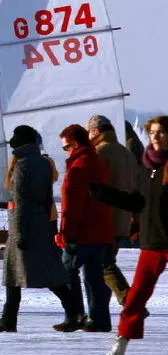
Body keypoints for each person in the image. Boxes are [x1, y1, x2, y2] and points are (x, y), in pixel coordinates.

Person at [89, 115, 168, 355]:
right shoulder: (148, 167)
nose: (156, 137)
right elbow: (138, 203)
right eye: (152, 133)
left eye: (161, 133)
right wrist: (102, 193)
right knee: (134, 299)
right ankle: (117, 351)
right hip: (153, 241)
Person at [0, 125, 78, 332]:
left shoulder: (22, 165)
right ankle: (72, 311)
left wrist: (18, 233)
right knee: (42, 273)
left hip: (25, 225)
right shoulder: (43, 163)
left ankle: (9, 320)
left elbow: (20, 202)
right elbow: (44, 197)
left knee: (19, 275)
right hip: (42, 223)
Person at [57, 124, 114, 332]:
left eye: (65, 147)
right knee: (94, 278)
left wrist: (66, 233)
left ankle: (75, 316)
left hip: (82, 233)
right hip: (101, 230)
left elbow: (72, 205)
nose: (65, 151)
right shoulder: (97, 161)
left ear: (74, 143)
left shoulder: (78, 166)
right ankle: (99, 319)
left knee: (65, 273)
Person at [87, 115, 139, 307]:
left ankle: (131, 301)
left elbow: (92, 189)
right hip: (122, 219)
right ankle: (101, 313)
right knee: (106, 264)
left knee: (103, 265)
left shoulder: (99, 153)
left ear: (96, 132)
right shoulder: (126, 153)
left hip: (103, 219)